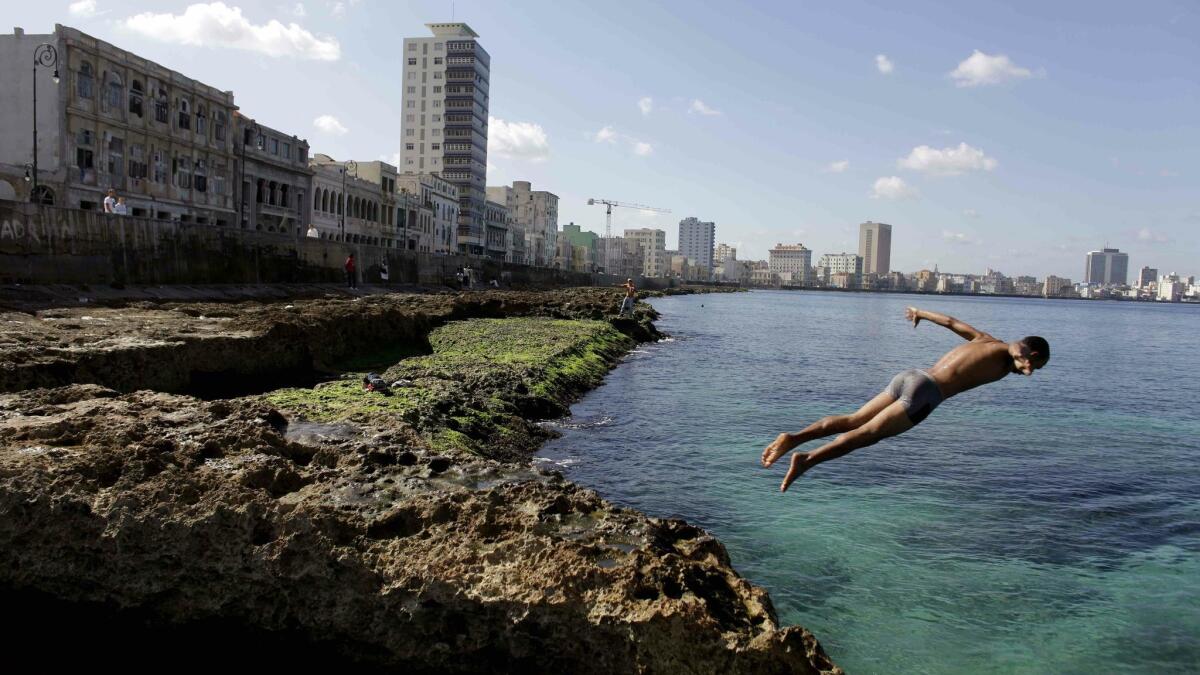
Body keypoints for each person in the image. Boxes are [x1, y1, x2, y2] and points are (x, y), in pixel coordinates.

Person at [761, 306, 1049, 492]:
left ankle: (794, 438)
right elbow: (1017, 352)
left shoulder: (986, 339)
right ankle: (807, 460)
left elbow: (949, 321)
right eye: (1034, 367)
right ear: (1032, 354)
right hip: (926, 393)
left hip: (911, 375)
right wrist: (1023, 362)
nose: (1029, 373)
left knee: (854, 420)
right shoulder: (1010, 354)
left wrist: (920, 313)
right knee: (866, 434)